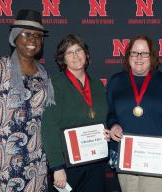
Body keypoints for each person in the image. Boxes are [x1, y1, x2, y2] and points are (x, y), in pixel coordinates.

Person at [0, 9, 55, 191]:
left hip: (36, 163)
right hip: (0, 160)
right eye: (26, 34)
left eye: (37, 36)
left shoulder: (44, 76)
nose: (32, 40)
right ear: (15, 37)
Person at [106, 35, 162, 192]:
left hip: (158, 154)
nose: (139, 57)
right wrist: (113, 125)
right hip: (125, 153)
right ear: (128, 56)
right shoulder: (116, 81)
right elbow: (110, 112)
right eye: (134, 53)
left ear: (152, 56)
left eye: (144, 53)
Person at [41, 34, 110, 192]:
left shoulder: (98, 84)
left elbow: (104, 117)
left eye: (79, 50)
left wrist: (107, 131)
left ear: (86, 54)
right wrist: (57, 167)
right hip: (68, 165)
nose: (75, 55)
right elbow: (49, 128)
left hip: (96, 162)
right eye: (69, 52)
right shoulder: (55, 85)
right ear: (63, 59)